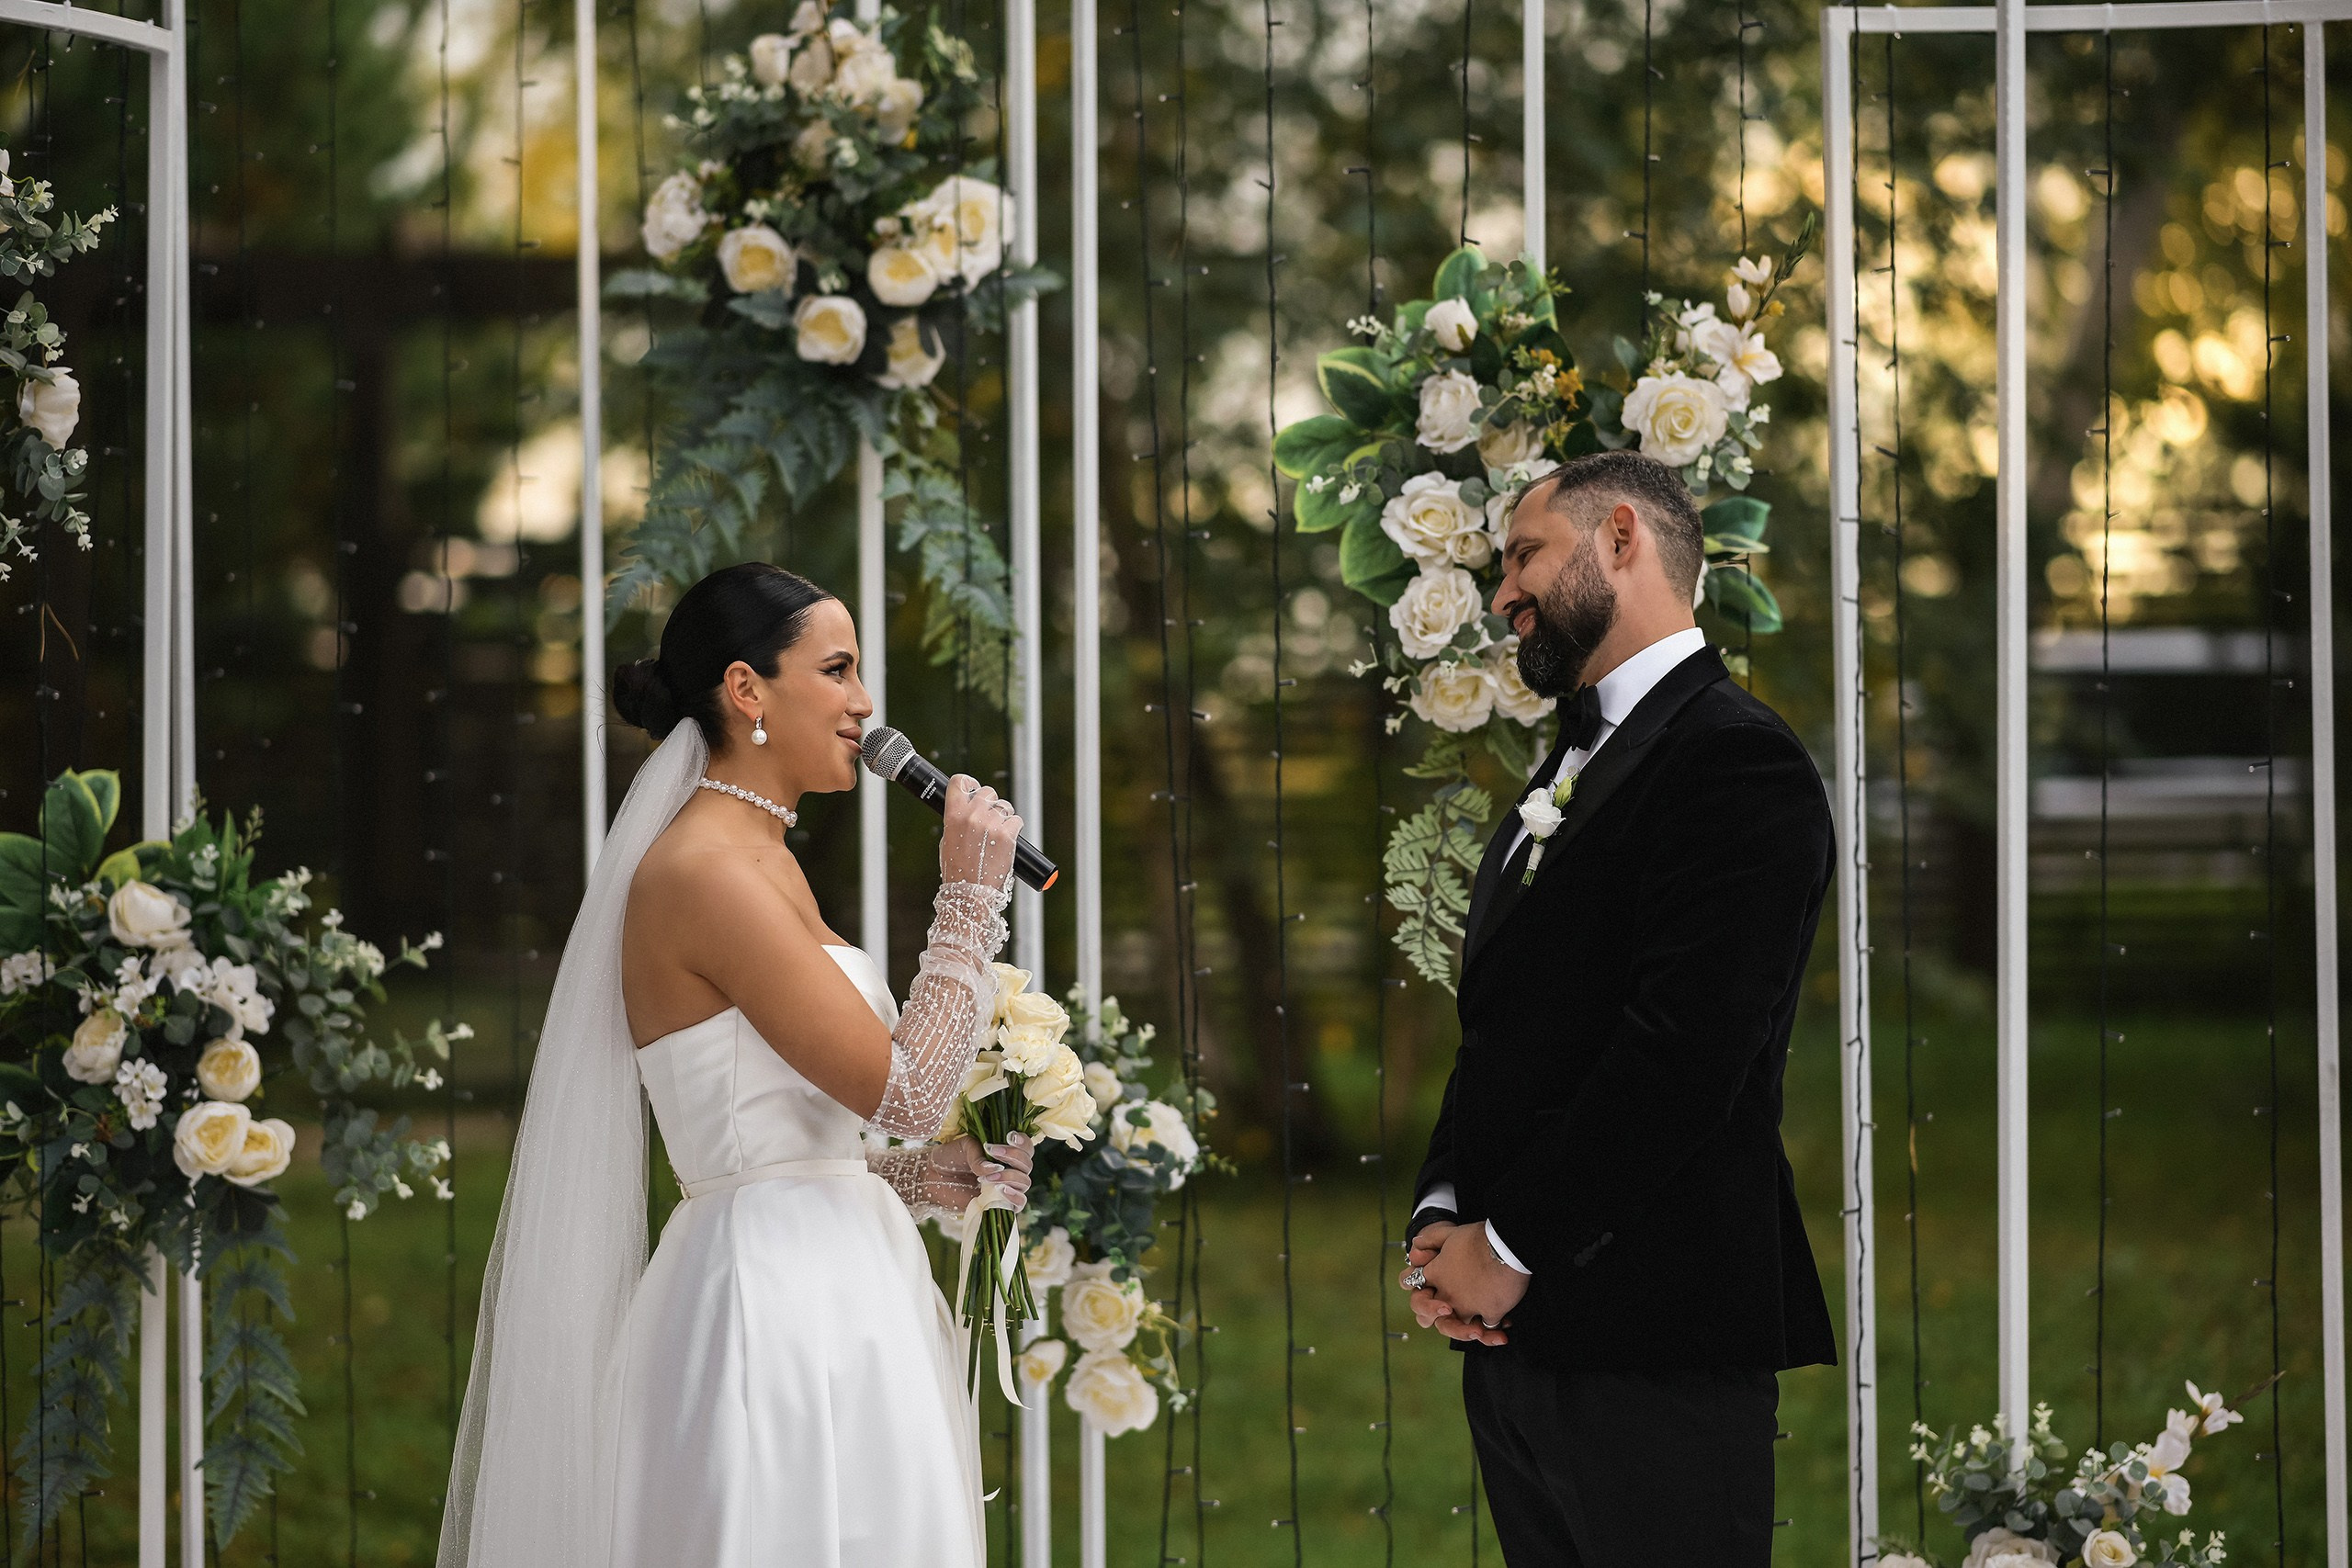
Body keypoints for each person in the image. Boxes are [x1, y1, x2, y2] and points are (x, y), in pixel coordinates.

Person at [437, 562, 1032, 1568]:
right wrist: (968, 900)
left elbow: (768, 1135)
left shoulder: (765, 858)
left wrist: (902, 1175)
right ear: (747, 689)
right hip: (771, 1312)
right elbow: (909, 1089)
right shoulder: (705, 872)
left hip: (846, 1288)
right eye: (837, 669)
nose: (864, 701)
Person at [1399, 451, 1837, 1567]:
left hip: (1658, 1339)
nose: (1503, 592)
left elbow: (1684, 1057)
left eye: (1523, 554)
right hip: (1522, 1347)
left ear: (1623, 538)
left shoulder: (1738, 764)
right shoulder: (1568, 768)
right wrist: (1442, 1215)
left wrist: (1509, 1241)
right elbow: (1501, 1027)